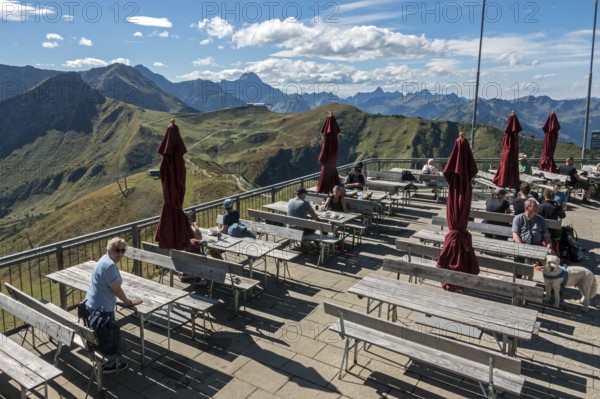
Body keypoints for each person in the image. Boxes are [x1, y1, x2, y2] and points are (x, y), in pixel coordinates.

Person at [85, 237, 143, 373]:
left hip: (92, 305)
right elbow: (116, 289)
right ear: (109, 249)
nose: (120, 254)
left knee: (100, 337)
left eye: (123, 250)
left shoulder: (103, 260)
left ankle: (102, 359)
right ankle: (109, 365)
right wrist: (128, 302)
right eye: (117, 250)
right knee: (108, 338)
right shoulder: (110, 266)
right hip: (103, 310)